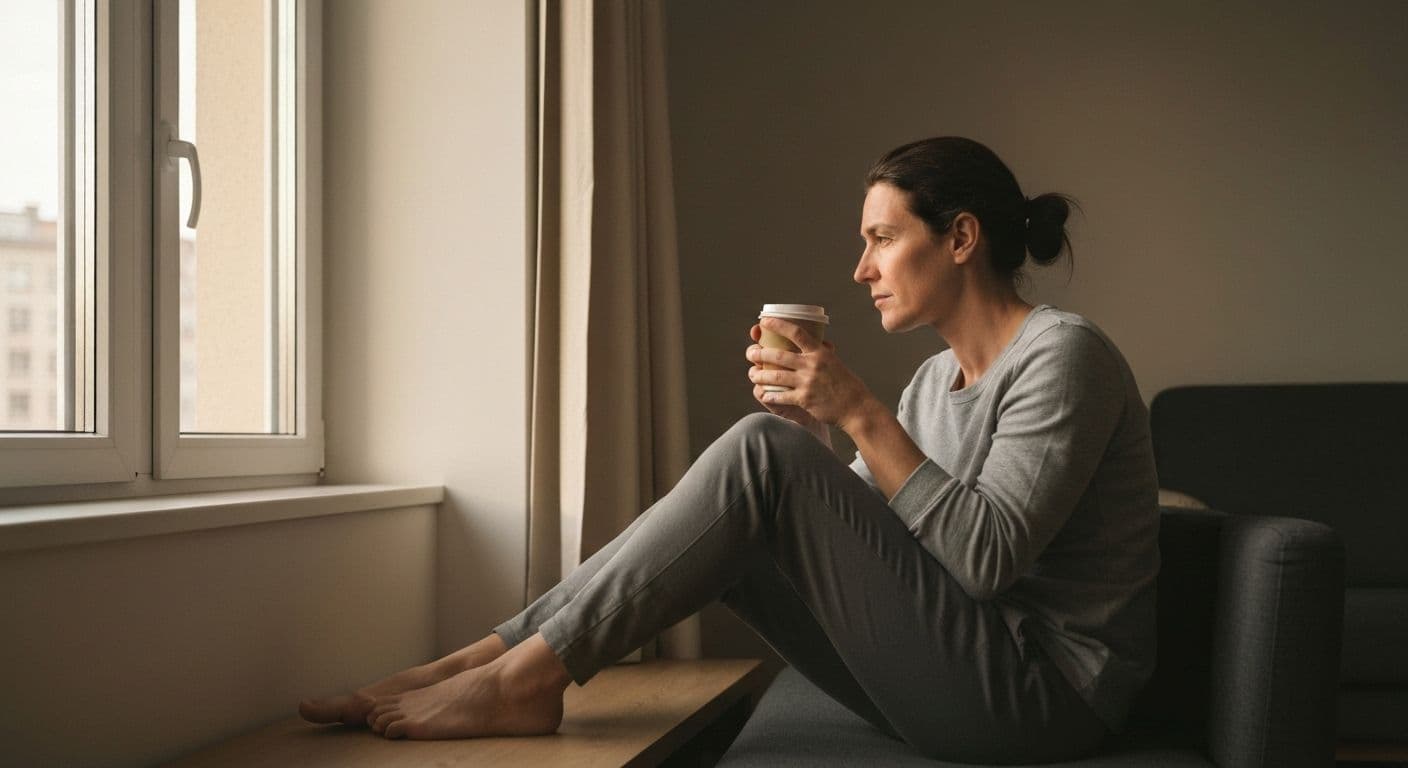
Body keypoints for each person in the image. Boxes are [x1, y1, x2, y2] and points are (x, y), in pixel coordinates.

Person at [299, 136, 1159, 764]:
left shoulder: (1062, 356)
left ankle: (524, 677)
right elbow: (872, 540)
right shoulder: (933, 386)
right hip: (947, 674)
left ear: (962, 239)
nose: (861, 268)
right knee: (759, 479)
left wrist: (853, 412)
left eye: (882, 237)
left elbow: (981, 559)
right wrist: (811, 432)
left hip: (1037, 701)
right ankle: (486, 658)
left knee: (759, 458)